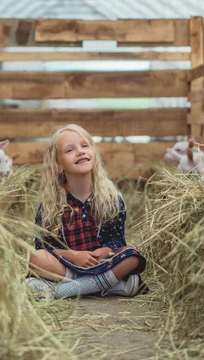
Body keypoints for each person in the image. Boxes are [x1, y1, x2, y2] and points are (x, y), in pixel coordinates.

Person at [25, 124, 146, 299]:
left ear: (94, 154)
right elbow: (43, 247)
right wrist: (73, 255)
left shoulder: (111, 198)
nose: (80, 152)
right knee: (37, 258)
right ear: (59, 165)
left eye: (84, 145)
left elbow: (117, 240)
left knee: (132, 256)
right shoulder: (51, 205)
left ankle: (61, 291)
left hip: (103, 264)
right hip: (68, 267)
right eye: (69, 150)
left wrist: (105, 251)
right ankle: (108, 285)